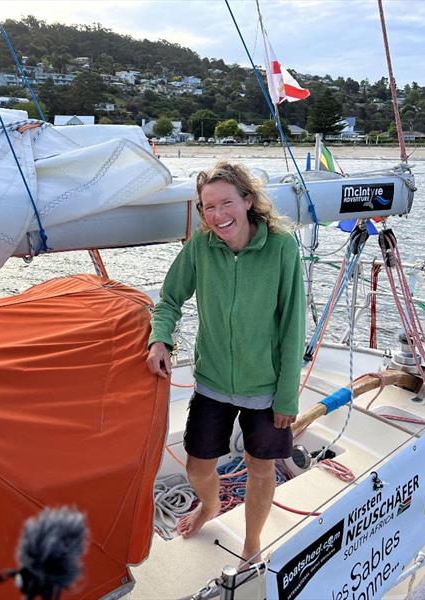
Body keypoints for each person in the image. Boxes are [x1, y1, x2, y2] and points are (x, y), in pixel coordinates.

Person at [146, 161, 305, 565]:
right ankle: (210, 504)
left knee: (261, 468)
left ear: (248, 201)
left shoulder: (282, 247)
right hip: (213, 380)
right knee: (199, 467)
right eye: (207, 207)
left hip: (266, 387)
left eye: (226, 203)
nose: (217, 215)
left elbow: (292, 326)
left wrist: (287, 395)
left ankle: (252, 543)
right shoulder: (200, 247)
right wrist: (160, 339)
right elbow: (169, 300)